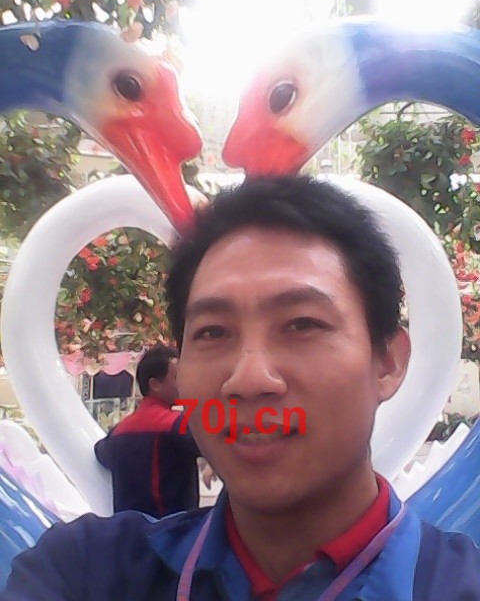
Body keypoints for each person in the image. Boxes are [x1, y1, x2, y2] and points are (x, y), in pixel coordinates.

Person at [2, 175, 480, 600]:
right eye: (212, 332)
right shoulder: (84, 572)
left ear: (388, 363)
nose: (249, 379)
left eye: (302, 324)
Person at [94, 343, 201, 518]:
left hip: (128, 530)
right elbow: (221, 442)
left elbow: (100, 452)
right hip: (173, 528)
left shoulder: (118, 432)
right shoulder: (176, 425)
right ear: (155, 385)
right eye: (178, 377)